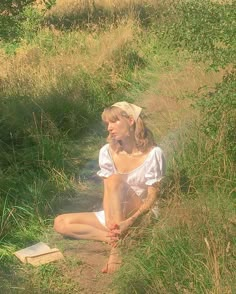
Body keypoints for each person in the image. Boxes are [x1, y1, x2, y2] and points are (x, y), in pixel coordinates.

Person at [54, 101, 166, 274]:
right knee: (60, 223)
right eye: (107, 123)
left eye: (114, 121)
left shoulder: (153, 154)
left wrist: (129, 221)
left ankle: (117, 251)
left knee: (115, 179)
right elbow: (108, 190)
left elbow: (152, 197)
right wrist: (110, 221)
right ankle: (115, 238)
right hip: (115, 211)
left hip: (140, 213)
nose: (109, 128)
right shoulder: (107, 151)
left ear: (130, 121)